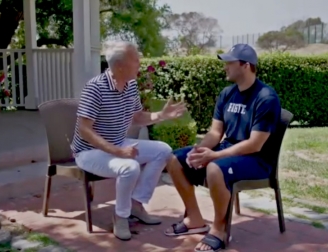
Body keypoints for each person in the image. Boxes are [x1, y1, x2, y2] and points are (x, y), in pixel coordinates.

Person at [164, 43, 282, 252]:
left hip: (258, 160)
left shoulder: (266, 97)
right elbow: (215, 133)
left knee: (214, 167)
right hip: (229, 152)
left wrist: (215, 155)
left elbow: (255, 144)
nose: (225, 66)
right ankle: (194, 219)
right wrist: (198, 150)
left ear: (246, 65)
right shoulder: (227, 94)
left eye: (230, 62)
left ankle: (219, 230)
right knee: (174, 159)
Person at [71, 41, 186, 241]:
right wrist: (119, 152)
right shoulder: (95, 88)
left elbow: (137, 117)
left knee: (163, 150)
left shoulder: (130, 85)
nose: (140, 62)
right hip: (88, 152)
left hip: (117, 143)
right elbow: (84, 130)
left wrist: (162, 115)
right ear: (120, 66)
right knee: (130, 167)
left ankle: (136, 203)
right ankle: (120, 216)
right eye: (135, 59)